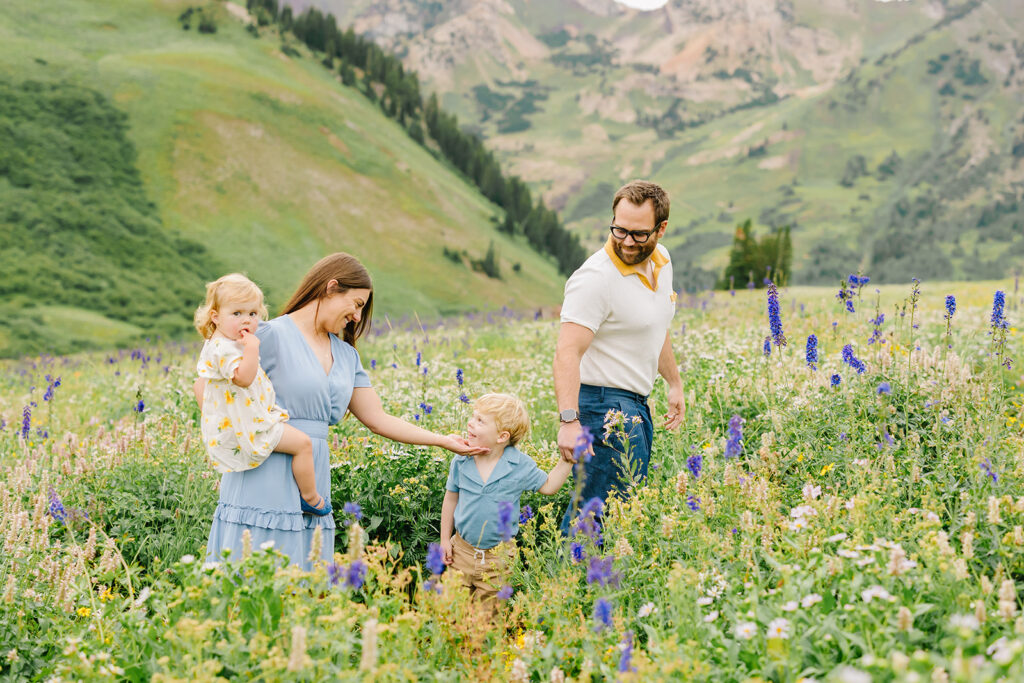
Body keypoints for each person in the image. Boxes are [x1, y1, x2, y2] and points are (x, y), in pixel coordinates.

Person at [198, 253, 486, 570]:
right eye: (357, 304)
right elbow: (206, 386)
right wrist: (246, 434)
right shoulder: (268, 334)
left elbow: (378, 419)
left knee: (303, 588)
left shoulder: (346, 356)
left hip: (312, 476)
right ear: (332, 287)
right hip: (262, 470)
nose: (357, 317)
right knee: (253, 582)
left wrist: (442, 440)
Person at [553, 180, 685, 535]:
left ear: (661, 229)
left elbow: (657, 328)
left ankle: (592, 584)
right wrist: (569, 421)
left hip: (637, 405)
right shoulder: (595, 278)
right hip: (601, 405)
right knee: (597, 514)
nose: (627, 241)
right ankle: (568, 584)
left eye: (639, 234)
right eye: (619, 229)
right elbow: (567, 351)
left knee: (620, 510)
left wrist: (674, 383)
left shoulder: (663, 261)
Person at [194, 273, 331, 517]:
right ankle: (310, 497)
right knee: (303, 444)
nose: (246, 320)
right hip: (252, 425)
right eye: (237, 314)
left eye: (252, 314)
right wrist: (253, 347)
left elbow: (203, 386)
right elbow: (244, 378)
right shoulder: (223, 349)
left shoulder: (224, 343)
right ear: (215, 317)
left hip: (250, 419)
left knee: (299, 443)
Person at [440, 393, 572, 608]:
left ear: (501, 437)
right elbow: (450, 499)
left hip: (498, 558)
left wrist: (568, 459)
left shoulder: (519, 464)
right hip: (461, 551)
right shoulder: (462, 458)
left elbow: (548, 486)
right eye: (473, 417)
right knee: (453, 610)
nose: (470, 423)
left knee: (488, 618)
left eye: (480, 421)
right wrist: (445, 539)